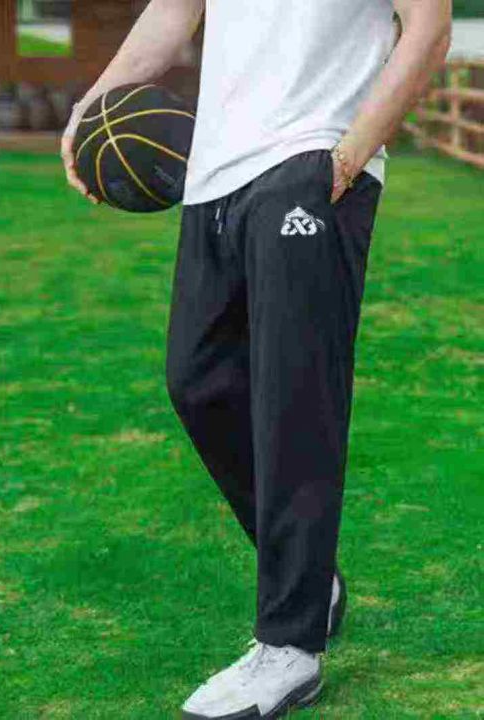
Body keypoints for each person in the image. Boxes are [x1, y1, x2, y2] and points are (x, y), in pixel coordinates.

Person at [61, 1, 452, 717]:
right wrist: (94, 105)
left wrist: (351, 152)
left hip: (312, 156)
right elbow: (173, 11)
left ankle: (290, 648)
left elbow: (428, 28)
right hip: (213, 171)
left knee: (292, 402)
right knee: (196, 381)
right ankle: (308, 577)